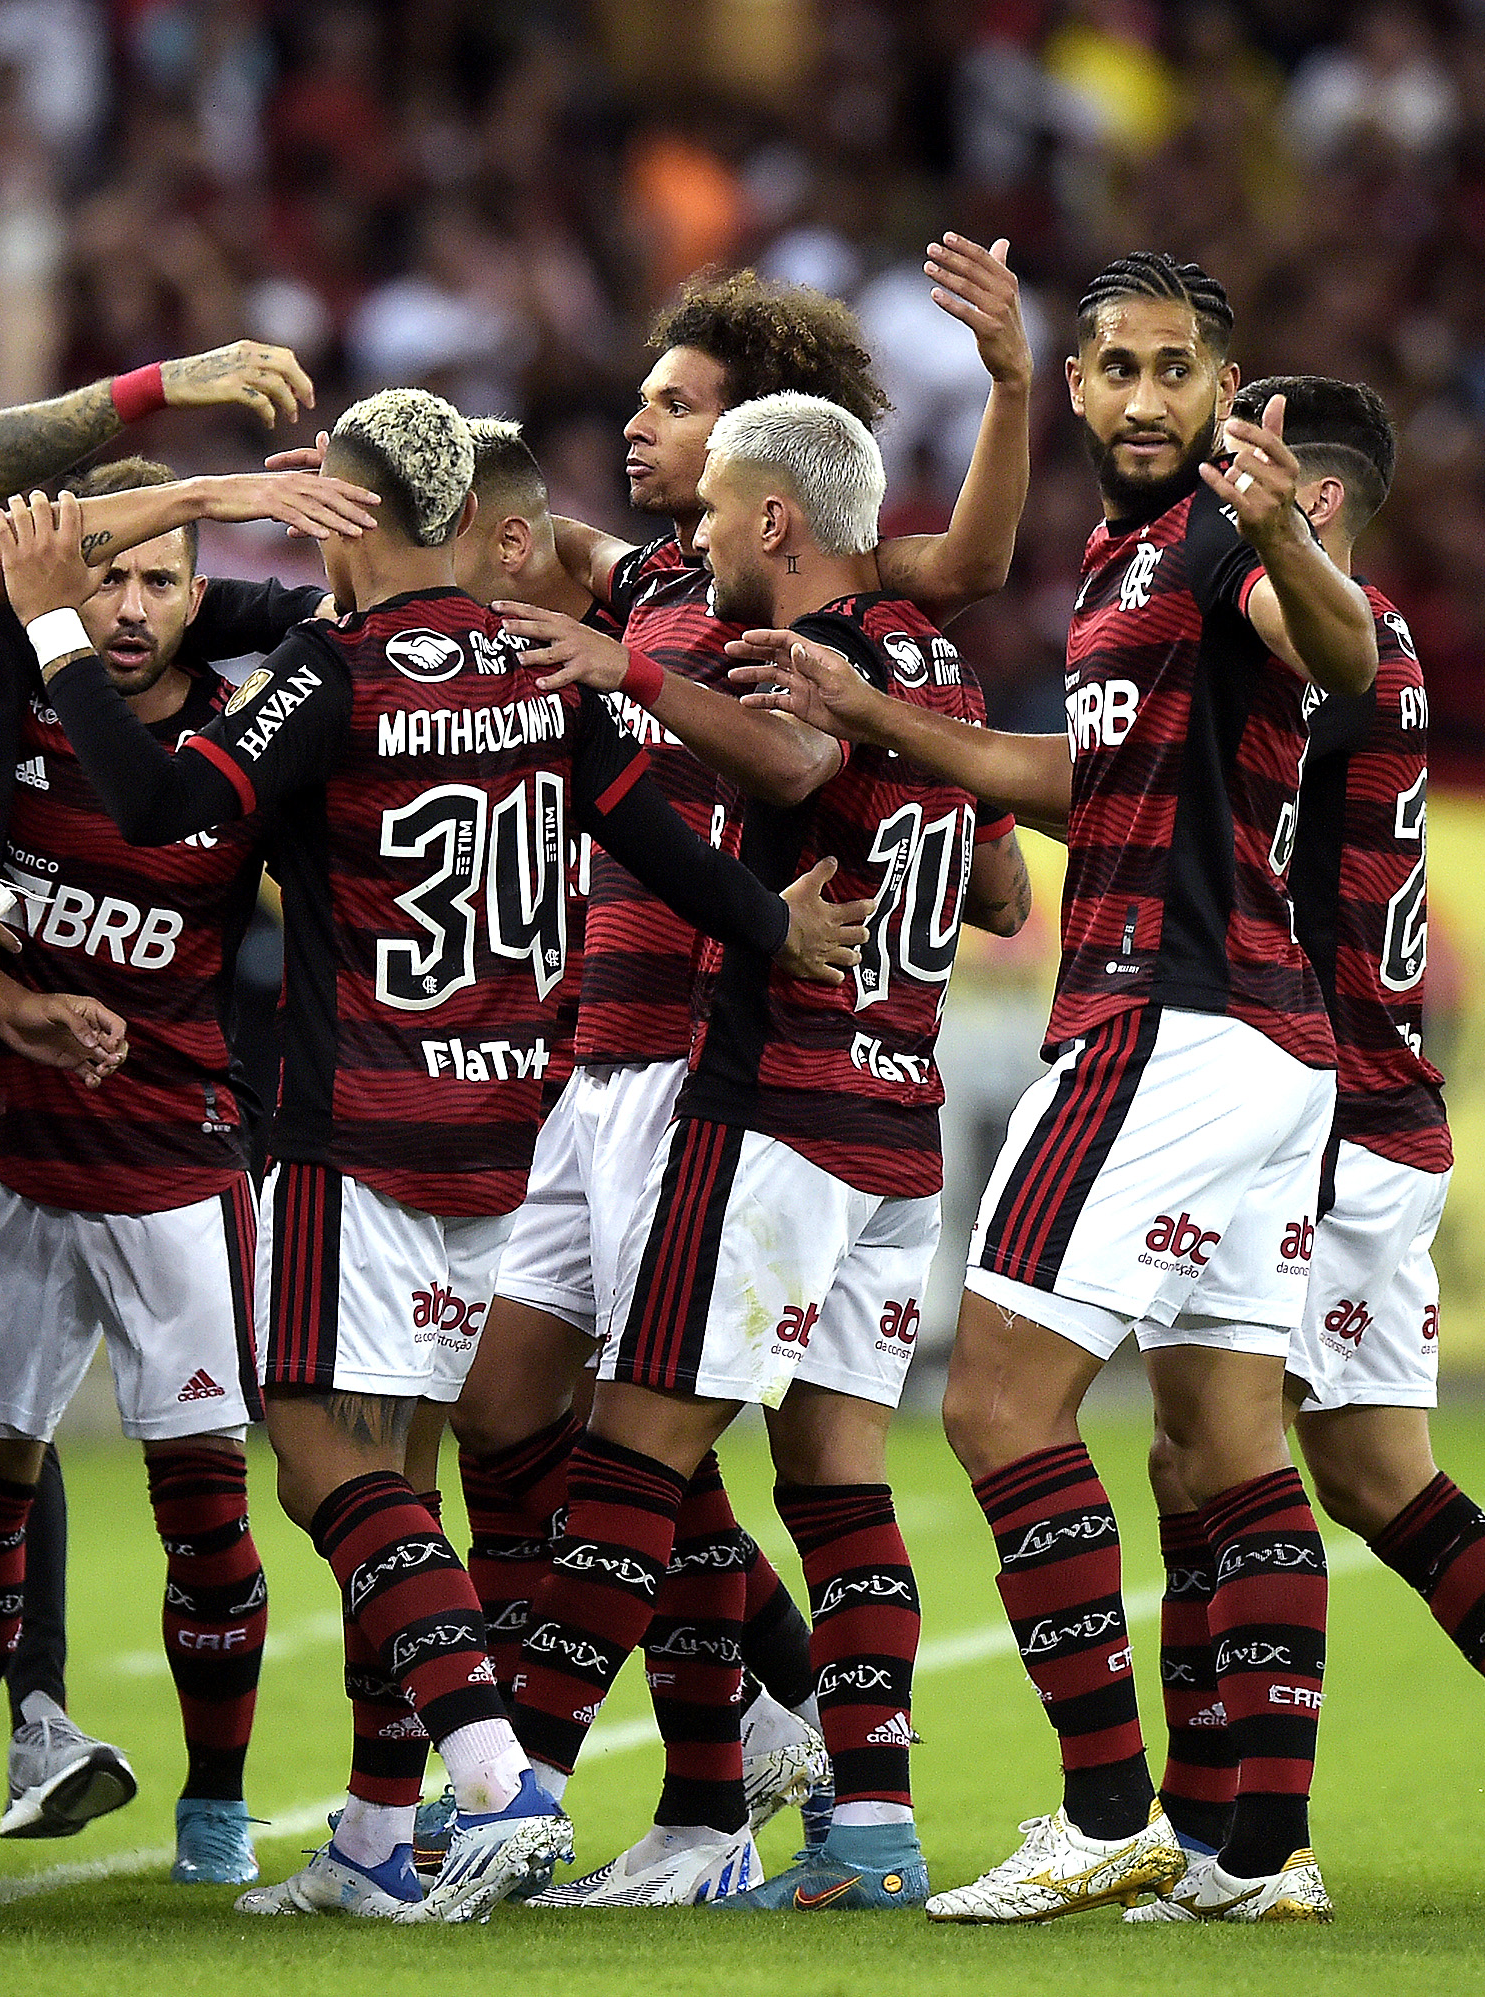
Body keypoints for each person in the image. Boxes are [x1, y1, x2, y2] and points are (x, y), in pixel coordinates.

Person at [4, 386, 869, 1925]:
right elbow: (660, 834)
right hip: (507, 1126)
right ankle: (371, 1833)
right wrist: (774, 925)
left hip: (364, 1128)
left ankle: (496, 1774)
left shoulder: (329, 676)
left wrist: (51, 634)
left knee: (323, 1447)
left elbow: (157, 813)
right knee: (408, 1460)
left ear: (345, 511)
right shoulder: (541, 666)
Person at [731, 253, 1381, 1924]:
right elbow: (1084, 778)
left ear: (1225, 395)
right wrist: (883, 712)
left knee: (996, 1407)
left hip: (1162, 1020)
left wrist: (1301, 543)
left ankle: (1105, 1810)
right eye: (1122, 368)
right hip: (1268, 1044)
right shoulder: (1122, 559)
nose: (1151, 395)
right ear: (1082, 388)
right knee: (1231, 1455)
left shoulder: (1233, 537)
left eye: (1181, 369)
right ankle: (1263, 1849)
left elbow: (1339, 659)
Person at [451, 243, 1034, 1874]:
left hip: (749, 1092)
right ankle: (865, 1815)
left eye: (687, 423)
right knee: (766, 1454)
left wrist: (1005, 382)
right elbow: (995, 883)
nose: (659, 451)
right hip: (818, 1104)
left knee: (646, 1438)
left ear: (768, 482)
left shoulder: (813, 640)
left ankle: (577, 1791)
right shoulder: (782, 622)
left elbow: (826, 730)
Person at [1139, 375, 1485, 1908]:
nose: (1203, 506)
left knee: (1207, 1458)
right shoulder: (1380, 637)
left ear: (1305, 501)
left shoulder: (1319, 652)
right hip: (1381, 1104)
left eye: (1235, 469)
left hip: (1321, 1111)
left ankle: (1233, 1835)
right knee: (1372, 1472)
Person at [0, 457, 274, 1892]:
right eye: (107, 572)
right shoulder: (7, 690)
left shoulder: (245, 737)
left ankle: (217, 1811)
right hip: (13, 1158)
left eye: (163, 580)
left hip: (173, 1169)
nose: (128, 605)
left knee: (206, 1518)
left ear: (199, 596)